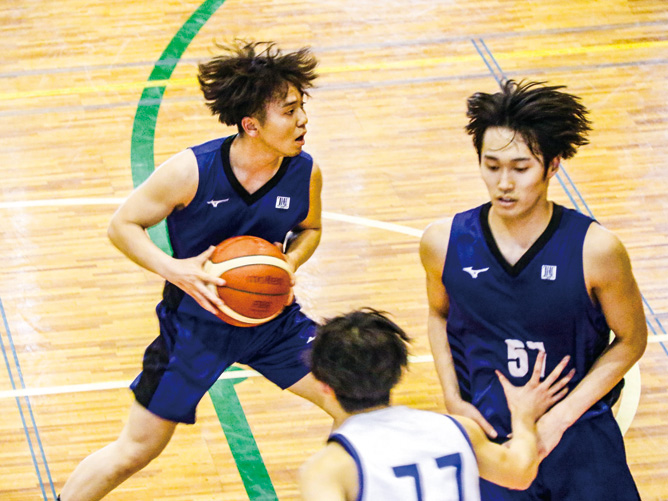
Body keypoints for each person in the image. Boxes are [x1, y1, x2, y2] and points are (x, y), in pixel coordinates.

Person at [59, 41, 336, 501]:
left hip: (272, 322)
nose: (303, 119)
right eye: (289, 111)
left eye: (301, 107)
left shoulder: (305, 172)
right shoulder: (191, 171)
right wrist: (176, 270)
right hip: (194, 327)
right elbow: (122, 225)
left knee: (353, 405)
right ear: (251, 125)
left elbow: (311, 229)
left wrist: (287, 262)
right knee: (135, 450)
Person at [419, 80, 648, 500]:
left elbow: (631, 340)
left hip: (579, 436)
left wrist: (560, 418)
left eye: (520, 168)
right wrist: (452, 397)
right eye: (492, 166)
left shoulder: (596, 250)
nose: (504, 183)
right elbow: (438, 314)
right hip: (491, 438)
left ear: (553, 164)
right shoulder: (442, 242)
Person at [299, 308, 574, 501]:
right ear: (399, 372)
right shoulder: (459, 430)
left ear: (324, 385)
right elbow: (520, 473)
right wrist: (523, 417)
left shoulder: (328, 468)